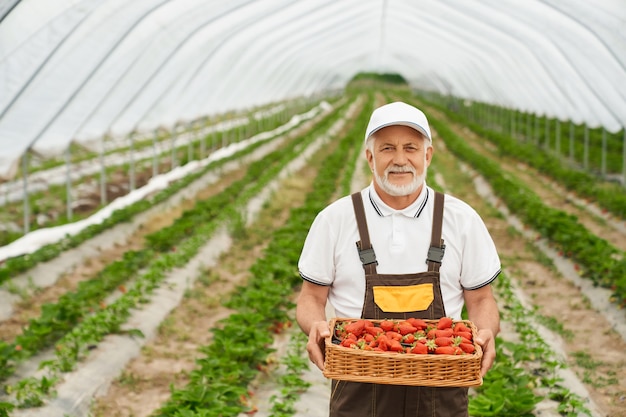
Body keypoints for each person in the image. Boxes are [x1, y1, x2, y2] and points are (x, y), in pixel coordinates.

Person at [295, 101, 501, 417]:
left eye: (411, 148)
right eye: (388, 148)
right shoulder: (335, 219)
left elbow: (482, 299)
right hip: (358, 383)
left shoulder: (461, 220)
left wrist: (486, 332)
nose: (401, 160)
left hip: (440, 387)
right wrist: (316, 326)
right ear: (370, 157)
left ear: (427, 156)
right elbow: (311, 297)